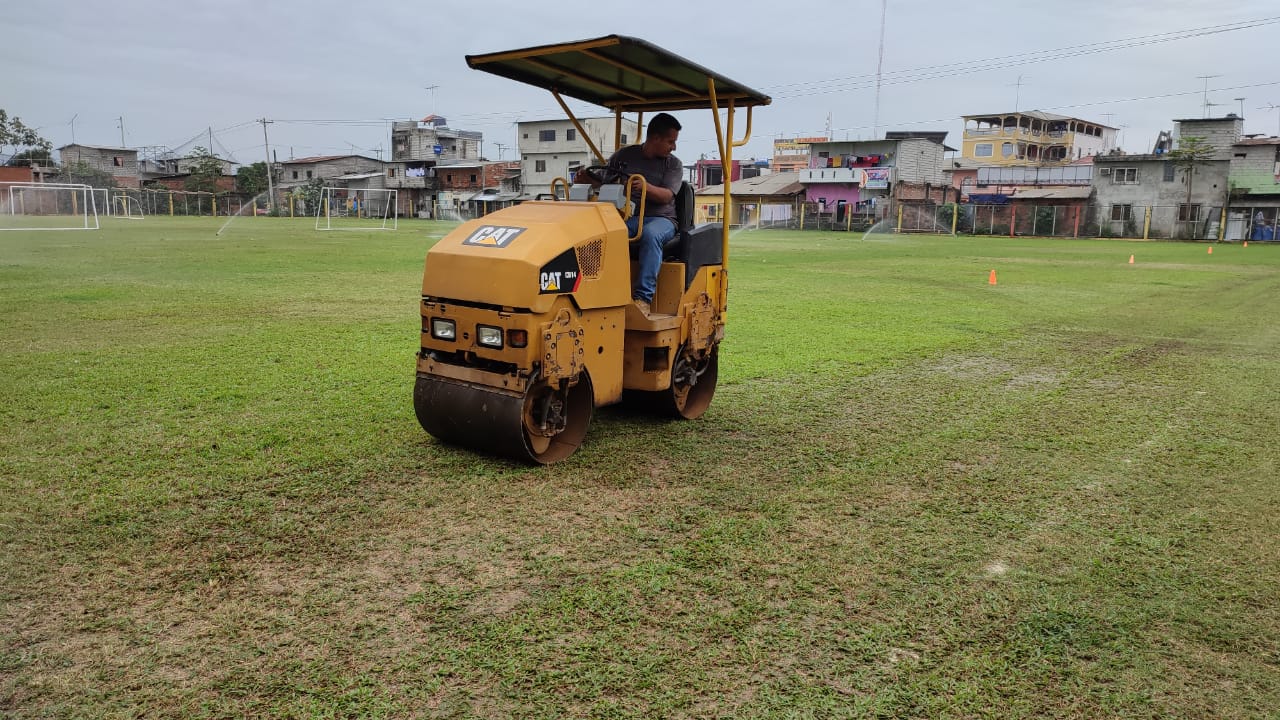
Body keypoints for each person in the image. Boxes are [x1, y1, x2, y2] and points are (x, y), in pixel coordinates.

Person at [576, 113, 683, 316]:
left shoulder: (673, 165)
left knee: (650, 235)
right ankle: (599, 290)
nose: (674, 147)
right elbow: (605, 181)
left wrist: (645, 187)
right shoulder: (624, 156)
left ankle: (643, 298)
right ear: (655, 138)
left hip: (662, 219)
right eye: (671, 142)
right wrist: (587, 179)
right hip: (628, 217)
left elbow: (667, 196)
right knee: (600, 234)